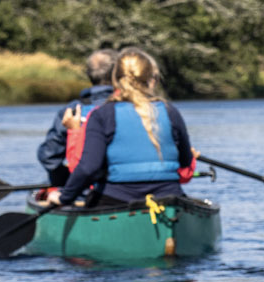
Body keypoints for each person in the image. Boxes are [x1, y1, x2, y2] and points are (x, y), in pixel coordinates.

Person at [50, 48, 195, 209]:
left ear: (115, 79)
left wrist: (64, 198)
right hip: (168, 198)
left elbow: (88, 168)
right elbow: (186, 161)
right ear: (152, 79)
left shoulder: (102, 115)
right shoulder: (170, 111)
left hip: (116, 200)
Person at [37, 49, 117, 186]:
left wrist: (67, 181)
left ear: (88, 74)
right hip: (124, 187)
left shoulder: (73, 110)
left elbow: (49, 157)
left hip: (82, 189)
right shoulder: (132, 106)